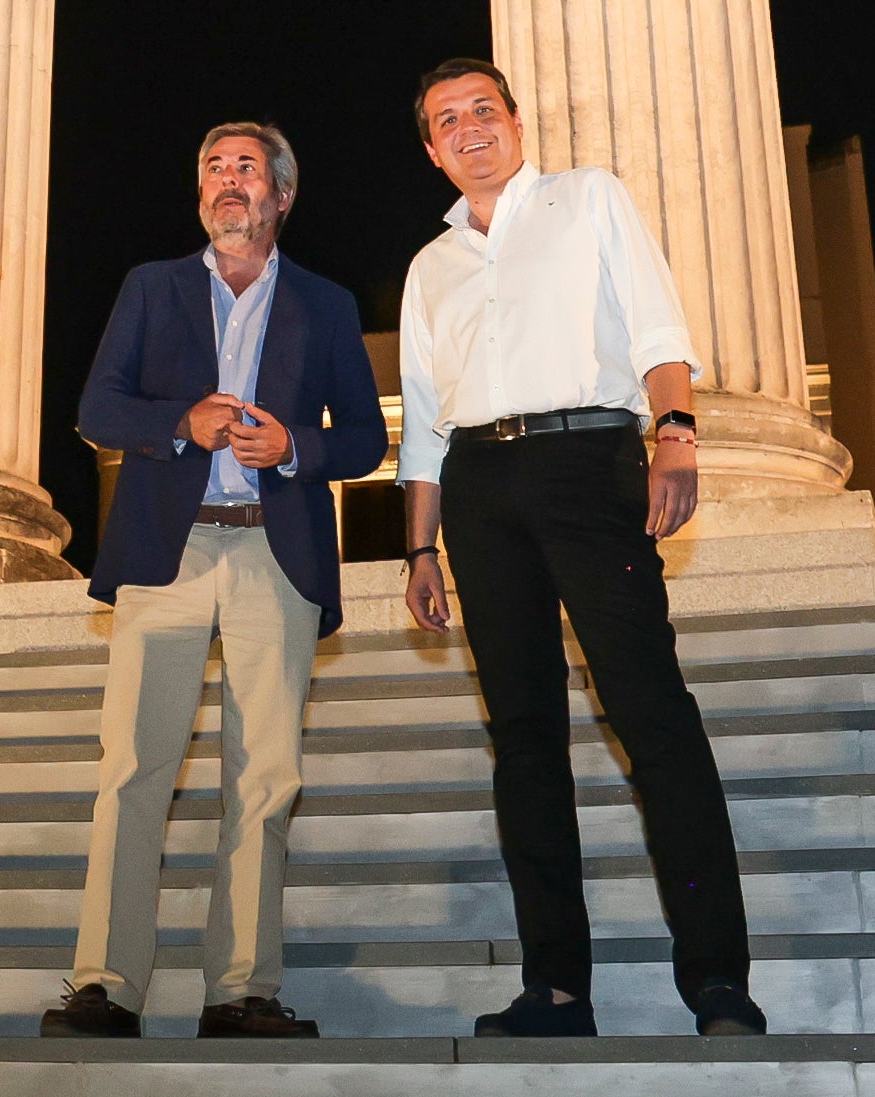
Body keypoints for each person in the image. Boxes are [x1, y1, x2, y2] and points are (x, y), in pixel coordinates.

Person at [396, 59, 766, 1039]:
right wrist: (420, 547)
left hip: (589, 461)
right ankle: (555, 989)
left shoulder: (588, 197)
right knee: (523, 742)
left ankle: (717, 981)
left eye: (483, 109)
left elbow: (656, 326)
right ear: (431, 149)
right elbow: (424, 420)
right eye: (447, 119)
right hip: (479, 490)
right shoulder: (430, 266)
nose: (469, 127)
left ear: (515, 121)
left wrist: (675, 431)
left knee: (650, 713)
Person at [44, 120, 388, 1040]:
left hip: (277, 553)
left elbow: (364, 436)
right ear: (200, 191)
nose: (227, 180)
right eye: (212, 167)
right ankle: (105, 985)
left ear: (281, 193)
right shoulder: (149, 286)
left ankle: (240, 989)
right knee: (132, 768)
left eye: (246, 167)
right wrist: (179, 424)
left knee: (263, 775)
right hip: (168, 550)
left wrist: (295, 446)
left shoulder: (324, 301)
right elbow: (98, 407)